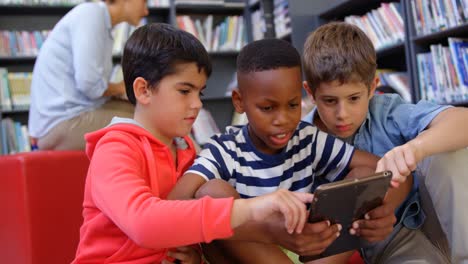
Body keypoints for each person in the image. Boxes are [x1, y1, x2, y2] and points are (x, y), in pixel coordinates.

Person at [72, 23, 315, 263]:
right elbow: (142, 223)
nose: (197, 103)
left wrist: (194, 255)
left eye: (200, 93)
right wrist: (251, 209)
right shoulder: (114, 149)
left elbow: (193, 225)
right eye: (184, 91)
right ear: (143, 90)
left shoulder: (187, 151)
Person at [168, 38, 412, 264]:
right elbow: (173, 204)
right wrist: (194, 249)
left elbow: (389, 170)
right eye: (267, 108)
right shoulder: (225, 148)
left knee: (365, 172)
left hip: (308, 252)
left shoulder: (306, 138)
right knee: (212, 193)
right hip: (251, 255)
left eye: (293, 105)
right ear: (239, 101)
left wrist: (384, 210)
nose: (282, 120)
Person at [301, 21, 466, 263]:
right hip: (342, 248)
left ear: (372, 88)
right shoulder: (299, 140)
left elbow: (463, 121)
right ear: (310, 93)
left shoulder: (387, 111)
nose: (342, 114)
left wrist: (415, 149)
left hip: (408, 233)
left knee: (448, 149)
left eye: (354, 98)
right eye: (329, 101)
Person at [28, 0, 148, 150]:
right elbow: (89, 85)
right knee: (147, 126)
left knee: (144, 112)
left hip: (74, 112)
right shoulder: (92, 15)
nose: (146, 11)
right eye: (145, 2)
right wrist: (122, 87)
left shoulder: (102, 23)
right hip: (61, 122)